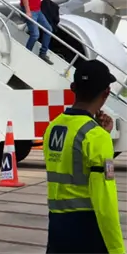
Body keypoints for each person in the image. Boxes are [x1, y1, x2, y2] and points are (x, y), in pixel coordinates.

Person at [43, 59, 124, 254]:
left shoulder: (53, 127)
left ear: (73, 88)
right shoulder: (96, 136)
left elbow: (75, 164)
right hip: (87, 229)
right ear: (106, 93)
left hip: (57, 227)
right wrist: (116, 248)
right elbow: (105, 201)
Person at [20, 0, 54, 65]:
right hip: (32, 11)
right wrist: (28, 11)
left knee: (48, 29)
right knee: (35, 35)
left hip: (37, 10)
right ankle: (27, 53)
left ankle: (43, 53)